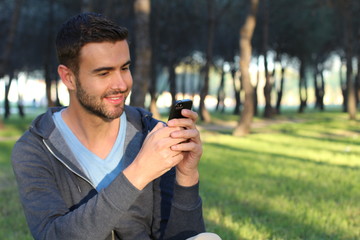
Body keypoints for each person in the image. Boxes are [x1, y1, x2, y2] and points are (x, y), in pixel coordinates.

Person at [11, 13, 220, 240]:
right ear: (69, 77)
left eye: (125, 68)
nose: (121, 84)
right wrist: (139, 171)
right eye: (104, 73)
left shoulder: (152, 134)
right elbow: (52, 235)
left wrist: (186, 176)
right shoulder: (34, 149)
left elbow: (181, 236)